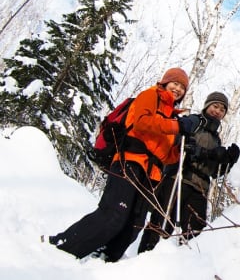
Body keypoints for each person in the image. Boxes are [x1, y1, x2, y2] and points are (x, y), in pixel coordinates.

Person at [48, 67, 201, 262]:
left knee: (134, 224)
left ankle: (106, 258)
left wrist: (184, 151)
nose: (178, 89)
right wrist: (178, 126)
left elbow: (166, 156)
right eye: (175, 83)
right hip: (130, 162)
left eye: (182, 87)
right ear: (165, 82)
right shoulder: (150, 95)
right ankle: (63, 245)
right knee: (114, 214)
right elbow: (142, 122)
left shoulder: (172, 116)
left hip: (150, 176)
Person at [137, 91, 240, 253]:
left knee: (195, 232)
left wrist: (228, 160)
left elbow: (214, 172)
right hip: (177, 179)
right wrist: (201, 151)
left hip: (200, 189)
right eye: (215, 106)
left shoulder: (216, 139)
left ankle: (184, 264)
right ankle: (145, 256)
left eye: (222, 109)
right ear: (207, 106)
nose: (218, 111)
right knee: (162, 222)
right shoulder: (194, 121)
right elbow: (177, 141)